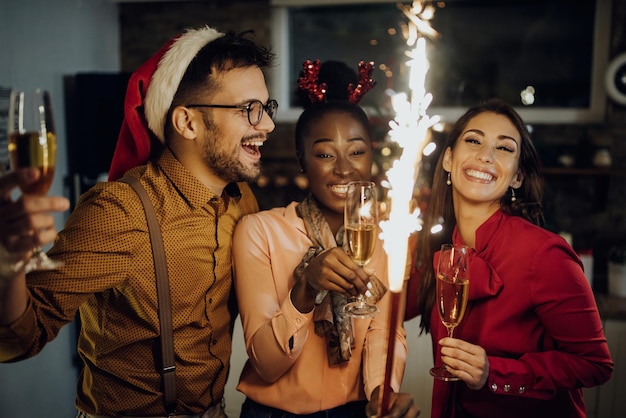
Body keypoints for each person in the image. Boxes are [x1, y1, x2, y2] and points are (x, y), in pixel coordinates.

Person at [0, 25, 277, 417]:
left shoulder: (241, 201)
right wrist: (7, 269)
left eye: (267, 107)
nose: (266, 124)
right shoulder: (120, 211)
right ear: (187, 123)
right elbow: (18, 340)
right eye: (249, 109)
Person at [232, 59, 419, 418]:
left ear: (371, 156)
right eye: (324, 154)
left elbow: (384, 332)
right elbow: (266, 365)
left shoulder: (390, 235)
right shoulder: (259, 232)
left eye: (356, 151)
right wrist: (304, 290)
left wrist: (383, 391)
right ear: (302, 161)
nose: (344, 168)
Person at [407, 97, 613, 418]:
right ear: (448, 159)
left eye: (504, 148)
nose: (485, 155)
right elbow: (385, 305)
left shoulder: (545, 255)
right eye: (473, 140)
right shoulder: (442, 246)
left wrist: (495, 373)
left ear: (517, 177)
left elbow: (595, 365)